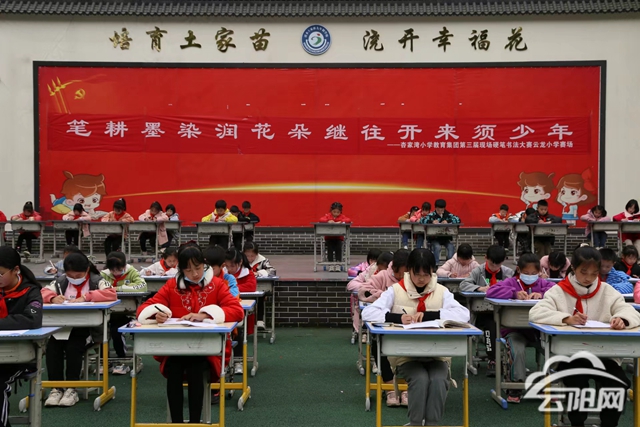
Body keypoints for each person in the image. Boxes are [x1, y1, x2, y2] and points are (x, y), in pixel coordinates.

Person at [530, 246, 640, 427]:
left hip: (604, 355)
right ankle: (577, 423)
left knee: (618, 383)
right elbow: (536, 313)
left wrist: (622, 319)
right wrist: (566, 318)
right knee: (577, 382)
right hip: (570, 356)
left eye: (594, 273)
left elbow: (630, 311)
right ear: (573, 267)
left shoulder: (607, 290)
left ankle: (609, 424)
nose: (589, 278)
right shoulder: (559, 290)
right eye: (584, 272)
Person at [136, 245, 244, 423]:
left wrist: (205, 315)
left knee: (196, 369)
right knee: (174, 369)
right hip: (176, 348)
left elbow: (237, 311)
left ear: (204, 264)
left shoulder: (216, 285)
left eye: (198, 268)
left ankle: (195, 422)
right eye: (188, 270)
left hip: (207, 350)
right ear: (180, 269)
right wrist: (157, 314)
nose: (194, 274)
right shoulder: (172, 286)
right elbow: (144, 308)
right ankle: (176, 423)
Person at [362, 248, 470, 425]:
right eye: (417, 274)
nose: (421, 279)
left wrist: (431, 315)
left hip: (437, 355)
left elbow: (463, 314)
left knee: (438, 379)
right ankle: (416, 423)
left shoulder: (442, 291)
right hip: (405, 355)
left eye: (426, 274)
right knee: (420, 379)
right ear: (409, 270)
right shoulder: (395, 290)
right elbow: (368, 313)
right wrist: (397, 318)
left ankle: (432, 424)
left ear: (433, 271)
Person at [41, 252, 116, 407]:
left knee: (73, 347)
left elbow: (111, 293)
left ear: (87, 270)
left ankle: (71, 388)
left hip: (88, 330)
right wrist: (52, 298)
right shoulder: (60, 282)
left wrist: (86, 297)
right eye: (70, 275)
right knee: (52, 347)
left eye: (78, 275)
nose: (74, 278)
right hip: (62, 329)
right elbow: (42, 292)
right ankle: (56, 388)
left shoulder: (97, 281)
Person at [486, 252, 555, 403]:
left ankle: (549, 385)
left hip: (539, 332)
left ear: (539, 272)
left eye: (533, 273)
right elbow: (491, 291)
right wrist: (514, 293)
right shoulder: (511, 282)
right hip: (514, 331)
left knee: (555, 349)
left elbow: (557, 291)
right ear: (518, 270)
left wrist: (541, 294)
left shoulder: (543, 283)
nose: (530, 276)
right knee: (516, 350)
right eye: (526, 273)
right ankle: (515, 386)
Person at [0, 247, 43, 426]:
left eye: (1, 273)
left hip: (19, 356)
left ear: (16, 270)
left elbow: (32, 319)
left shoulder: (31, 292)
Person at [460, 245, 515, 376]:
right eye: (491, 264)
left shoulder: (508, 272)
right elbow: (463, 285)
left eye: (498, 264)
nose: (494, 267)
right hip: (483, 313)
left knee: (508, 326)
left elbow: (517, 286)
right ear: (486, 258)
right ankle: (493, 360)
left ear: (503, 261)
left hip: (503, 314)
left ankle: (512, 360)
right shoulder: (478, 271)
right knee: (490, 326)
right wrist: (480, 288)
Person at [100, 251, 147, 374]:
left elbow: (142, 286)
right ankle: (103, 361)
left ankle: (122, 360)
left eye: (119, 270)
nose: (116, 273)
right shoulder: (103, 275)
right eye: (113, 270)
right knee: (100, 331)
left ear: (124, 266)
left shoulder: (132, 272)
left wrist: (119, 289)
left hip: (126, 313)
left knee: (117, 331)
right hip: (107, 313)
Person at [225, 248, 257, 375]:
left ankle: (238, 362)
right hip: (226, 308)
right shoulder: (223, 274)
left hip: (241, 311)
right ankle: (226, 361)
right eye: (227, 266)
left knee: (238, 332)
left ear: (240, 263)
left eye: (232, 266)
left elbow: (251, 287)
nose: (229, 269)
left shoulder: (247, 273)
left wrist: (233, 288)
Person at [318, 202, 352, 271]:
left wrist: (340, 221)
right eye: (334, 212)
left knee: (338, 248)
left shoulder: (342, 217)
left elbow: (348, 220)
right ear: (331, 211)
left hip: (338, 238)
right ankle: (330, 264)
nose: (336, 214)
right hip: (329, 238)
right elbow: (321, 219)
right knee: (329, 249)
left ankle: (338, 264)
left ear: (340, 212)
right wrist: (328, 221)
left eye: (338, 212)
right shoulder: (328, 216)